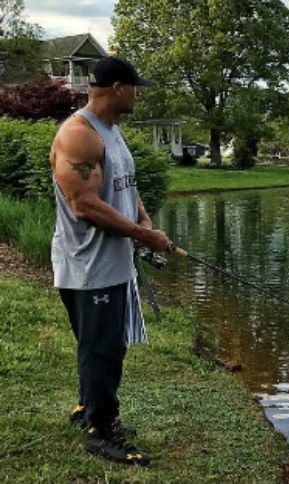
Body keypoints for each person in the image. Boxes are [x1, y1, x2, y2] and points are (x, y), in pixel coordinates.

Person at [50, 56, 172, 466]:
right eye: (136, 86)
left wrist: (142, 219)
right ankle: (102, 430)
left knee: (106, 344)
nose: (139, 94)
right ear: (118, 88)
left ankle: (88, 409)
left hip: (113, 263)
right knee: (101, 349)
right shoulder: (78, 135)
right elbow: (85, 205)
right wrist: (144, 236)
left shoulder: (112, 132)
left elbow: (123, 184)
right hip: (88, 266)